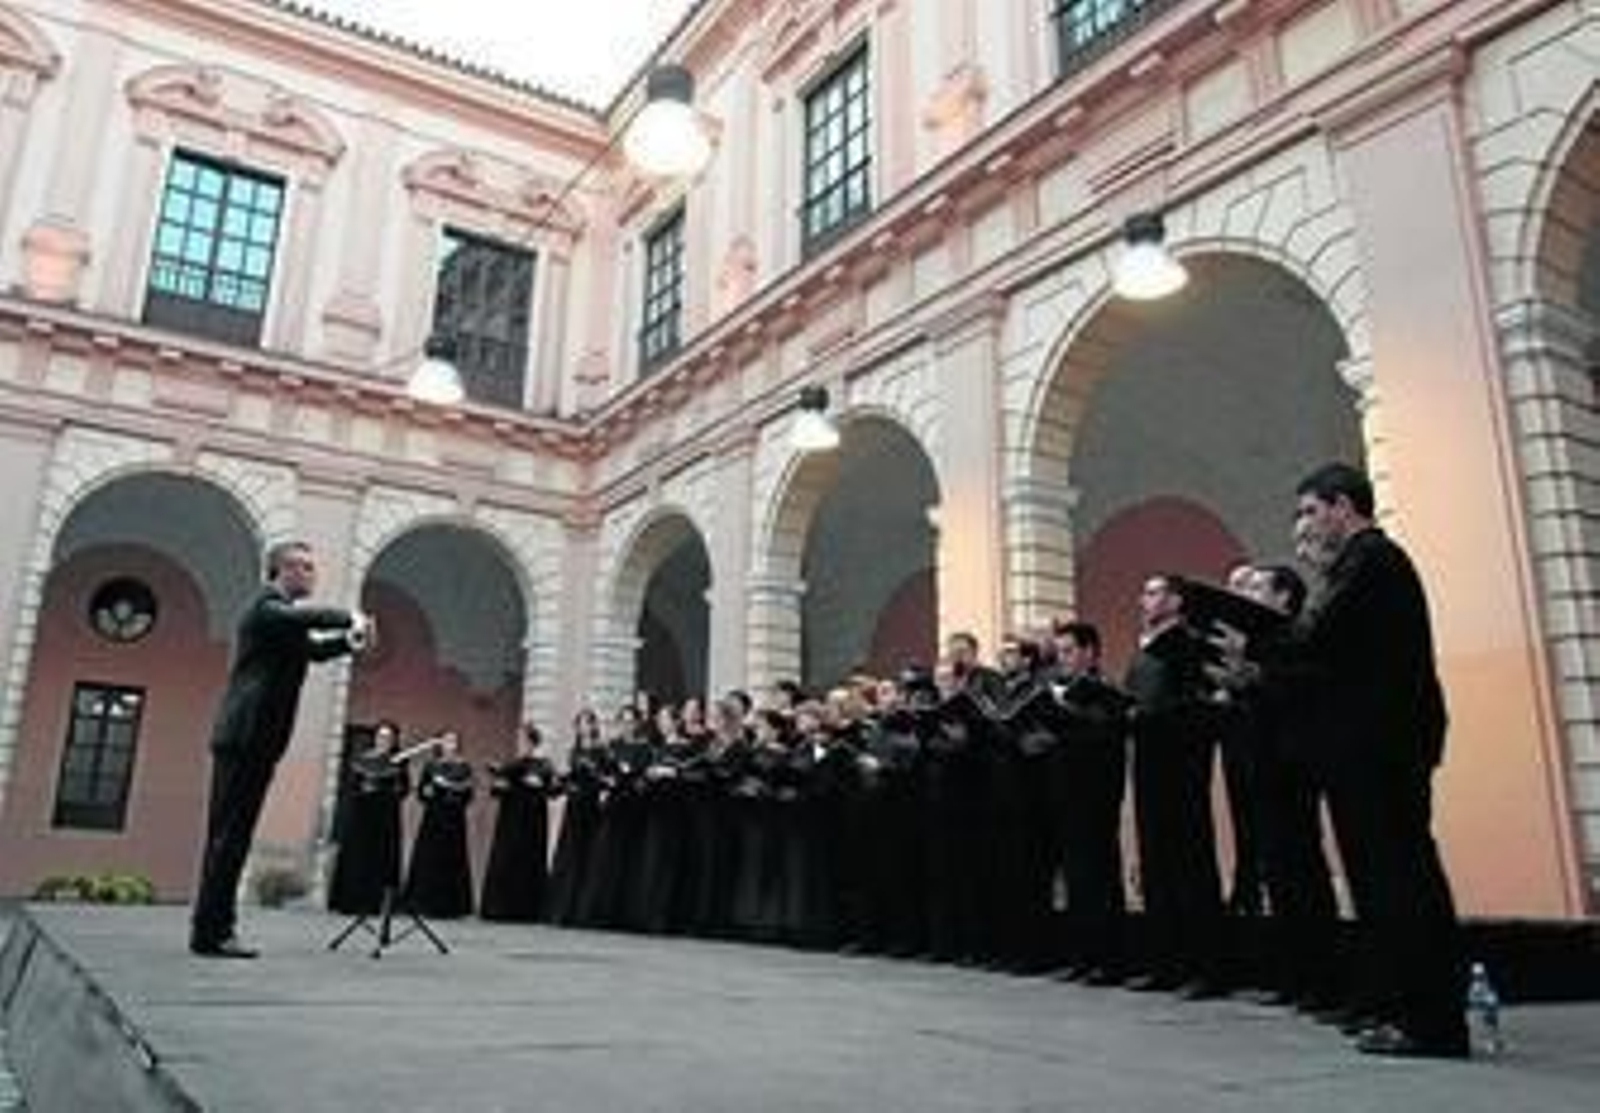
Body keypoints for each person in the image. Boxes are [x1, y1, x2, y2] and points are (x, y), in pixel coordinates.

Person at [1289, 463, 1468, 1058]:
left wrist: (1263, 641)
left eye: (1309, 512)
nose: (1302, 527)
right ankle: (1398, 1006)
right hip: (1367, 741)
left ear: (1343, 506)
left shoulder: (1372, 560)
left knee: (1398, 879)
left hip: (1380, 742)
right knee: (1380, 878)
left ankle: (1432, 1021)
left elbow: (1318, 640)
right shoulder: (1358, 566)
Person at [190, 540, 371, 958]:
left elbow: (315, 650)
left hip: (256, 738)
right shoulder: (267, 608)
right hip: (246, 735)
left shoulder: (283, 621)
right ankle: (213, 932)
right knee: (229, 839)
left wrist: (351, 641)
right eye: (303, 567)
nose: (311, 574)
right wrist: (350, 616)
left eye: (312, 567)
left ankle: (211, 929)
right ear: (281, 571)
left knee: (230, 837)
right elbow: (305, 620)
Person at [327, 719, 408, 916]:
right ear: (375, 738)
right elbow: (352, 787)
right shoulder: (362, 759)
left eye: (388, 737)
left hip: (386, 818)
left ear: (394, 740)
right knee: (357, 858)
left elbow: (404, 789)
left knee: (380, 860)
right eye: (381, 736)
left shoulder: (399, 761)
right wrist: (365, 789)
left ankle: (375, 904)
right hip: (362, 816)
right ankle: (350, 902)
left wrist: (394, 787)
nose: (384, 741)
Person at [479, 724, 557, 922]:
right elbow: (497, 791)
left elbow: (553, 791)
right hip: (510, 818)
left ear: (532, 742)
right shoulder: (511, 765)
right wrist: (499, 784)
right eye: (519, 739)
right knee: (506, 859)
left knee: (528, 860)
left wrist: (538, 785)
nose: (520, 744)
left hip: (532, 820)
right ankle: (501, 908)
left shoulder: (544, 765)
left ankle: (527, 909)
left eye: (524, 740)